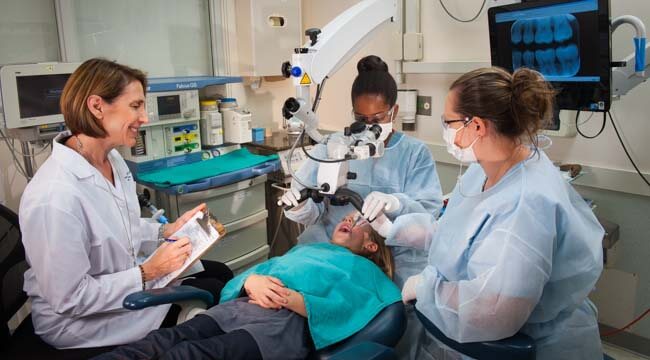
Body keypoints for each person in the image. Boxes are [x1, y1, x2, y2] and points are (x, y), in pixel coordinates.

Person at [19, 58, 233, 353]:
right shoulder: (54, 197)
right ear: (97, 106)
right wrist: (147, 272)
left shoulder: (111, 159)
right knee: (212, 292)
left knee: (219, 272)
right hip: (81, 321)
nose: (144, 118)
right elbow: (69, 298)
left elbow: (122, 225)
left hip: (121, 279)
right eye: (135, 106)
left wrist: (166, 231)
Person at [390, 67, 604, 359]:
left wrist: (430, 289)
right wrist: (398, 229)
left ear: (476, 126)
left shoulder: (525, 205)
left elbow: (495, 312)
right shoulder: (485, 170)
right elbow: (462, 234)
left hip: (534, 349)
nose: (446, 132)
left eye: (448, 122)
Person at [94, 213, 400, 360]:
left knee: (189, 355)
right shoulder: (307, 250)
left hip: (282, 324)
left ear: (372, 246)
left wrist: (291, 298)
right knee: (161, 340)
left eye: (359, 221)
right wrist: (252, 281)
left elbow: (347, 309)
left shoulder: (363, 270)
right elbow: (251, 274)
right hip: (241, 306)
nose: (348, 218)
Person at [279, 55, 443, 287]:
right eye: (361, 118)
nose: (368, 126)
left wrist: (395, 203)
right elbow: (312, 207)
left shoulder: (414, 153)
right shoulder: (335, 146)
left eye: (377, 118)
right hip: (332, 252)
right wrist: (300, 205)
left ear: (393, 112)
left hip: (393, 258)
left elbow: (428, 215)